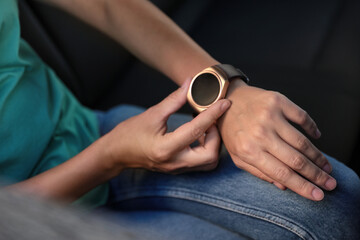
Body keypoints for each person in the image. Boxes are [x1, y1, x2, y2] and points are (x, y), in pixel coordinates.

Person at [0, 0, 359, 239]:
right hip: (35, 219)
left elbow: (108, 5)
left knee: (339, 200)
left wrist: (225, 89)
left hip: (83, 129)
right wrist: (109, 158)